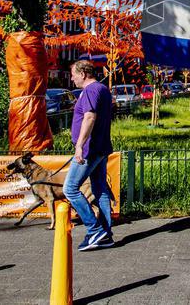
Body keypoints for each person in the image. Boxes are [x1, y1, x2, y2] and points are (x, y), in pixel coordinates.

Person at [64, 59, 115, 251]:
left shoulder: (90, 90)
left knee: (70, 189)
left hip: (89, 150)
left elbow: (90, 117)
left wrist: (79, 146)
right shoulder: (102, 89)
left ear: (83, 74)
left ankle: (94, 229)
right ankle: (105, 235)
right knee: (99, 189)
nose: (72, 79)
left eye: (73, 75)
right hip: (100, 147)